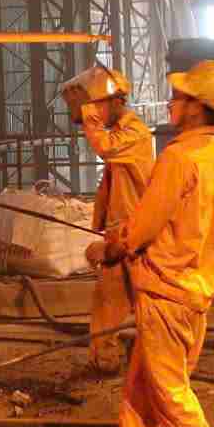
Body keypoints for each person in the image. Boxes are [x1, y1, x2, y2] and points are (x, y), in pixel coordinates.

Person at [83, 60, 214, 427]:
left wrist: (109, 248)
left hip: (166, 292)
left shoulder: (180, 158)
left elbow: (142, 228)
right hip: (196, 295)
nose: (172, 102)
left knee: (171, 395)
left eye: (179, 97)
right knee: (143, 391)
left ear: (197, 107)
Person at [59, 63, 155, 374]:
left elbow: (104, 147)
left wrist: (89, 118)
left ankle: (154, 359)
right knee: (109, 300)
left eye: (97, 104)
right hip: (121, 231)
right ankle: (105, 360)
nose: (94, 111)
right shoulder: (121, 132)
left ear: (116, 102)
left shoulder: (135, 133)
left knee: (146, 301)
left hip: (138, 233)